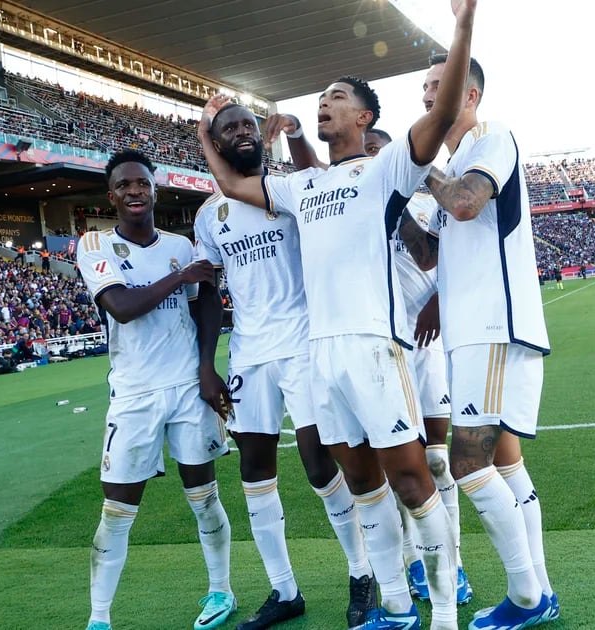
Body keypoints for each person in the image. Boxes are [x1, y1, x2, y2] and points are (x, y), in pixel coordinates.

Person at [197, 4, 476, 626]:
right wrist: (202, 134)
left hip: (374, 344)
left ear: (365, 116)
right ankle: (396, 608)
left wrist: (462, 26)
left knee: (410, 478)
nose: (324, 103)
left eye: (337, 96)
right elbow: (234, 188)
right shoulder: (302, 187)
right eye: (321, 97)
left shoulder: (386, 168)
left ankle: (442, 613)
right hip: (319, 354)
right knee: (364, 488)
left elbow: (443, 111)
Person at [193, 104, 376, 630]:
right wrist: (208, 366)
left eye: (248, 125)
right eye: (229, 129)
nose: (241, 133)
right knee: (255, 469)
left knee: (322, 467)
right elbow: (209, 291)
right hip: (250, 352)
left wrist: (295, 133)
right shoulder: (210, 216)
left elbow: (319, 177)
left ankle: (361, 572)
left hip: (303, 344)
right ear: (218, 143)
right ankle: (284, 589)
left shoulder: (294, 191)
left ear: (260, 135)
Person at [406, 53, 558, 628]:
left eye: (436, 88)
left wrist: (419, 169)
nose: (426, 98)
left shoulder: (493, 138)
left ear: (468, 96)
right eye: (422, 89)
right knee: (504, 464)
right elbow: (432, 254)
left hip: (492, 327)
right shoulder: (459, 157)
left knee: (468, 464)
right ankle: (539, 589)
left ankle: (526, 597)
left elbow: (466, 204)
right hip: (476, 332)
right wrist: (396, 204)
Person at [76, 150, 233, 630]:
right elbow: (121, 306)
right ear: (112, 195)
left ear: (155, 190)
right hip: (135, 392)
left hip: (187, 385)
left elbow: (207, 308)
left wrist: (207, 368)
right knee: (118, 507)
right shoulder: (94, 244)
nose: (135, 191)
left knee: (203, 495)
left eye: (142, 183)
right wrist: (180, 277)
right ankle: (99, 618)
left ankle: (220, 591)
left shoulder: (182, 246)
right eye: (124, 185)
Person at [364, 128, 472, 608]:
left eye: (378, 151)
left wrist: (439, 303)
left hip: (427, 345)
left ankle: (454, 562)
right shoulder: (354, 207)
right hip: (381, 348)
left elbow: (453, 261)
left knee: (435, 459)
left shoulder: (429, 200)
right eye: (364, 152)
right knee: (395, 468)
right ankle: (414, 560)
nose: (370, 159)